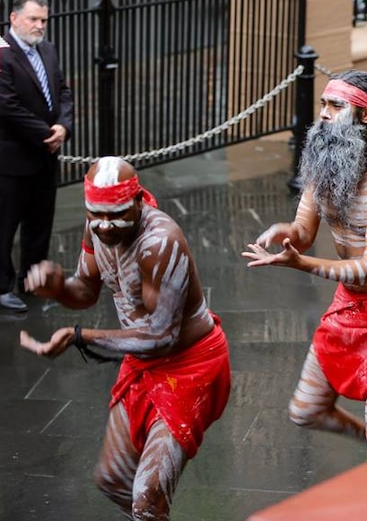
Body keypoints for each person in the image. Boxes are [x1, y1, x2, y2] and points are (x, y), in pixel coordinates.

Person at [19, 157, 231, 519]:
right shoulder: (96, 226)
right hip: (141, 359)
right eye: (96, 214)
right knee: (113, 480)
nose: (104, 225)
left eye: (115, 214)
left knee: (146, 496)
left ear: (137, 201)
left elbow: (162, 336)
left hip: (190, 367)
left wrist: (78, 336)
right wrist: (57, 287)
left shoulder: (160, 243)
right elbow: (85, 288)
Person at [242, 70, 367, 459]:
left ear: (365, 116)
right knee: (306, 410)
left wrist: (300, 264)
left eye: (335, 106)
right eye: (323, 105)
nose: (324, 114)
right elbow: (304, 232)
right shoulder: (327, 160)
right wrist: (286, 231)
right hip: (351, 302)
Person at [0, 0, 73, 313]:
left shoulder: (48, 49)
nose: (40, 25)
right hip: (12, 162)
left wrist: (64, 126)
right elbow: (6, 106)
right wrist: (47, 133)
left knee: (40, 224)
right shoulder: (2, 55)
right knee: (4, 226)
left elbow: (64, 91)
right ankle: (1, 288)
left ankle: (32, 280)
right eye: (33, 19)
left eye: (43, 19)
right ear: (14, 19)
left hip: (44, 159)